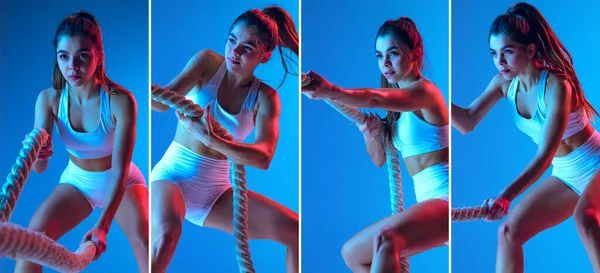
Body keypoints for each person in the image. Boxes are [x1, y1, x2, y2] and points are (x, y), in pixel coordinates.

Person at [452, 3, 600, 272]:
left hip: (596, 164)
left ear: (530, 50)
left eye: (507, 52)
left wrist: (506, 195)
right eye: (494, 53)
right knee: (509, 231)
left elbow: (545, 155)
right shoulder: (505, 83)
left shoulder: (558, 86)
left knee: (585, 218)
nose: (500, 61)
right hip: (567, 175)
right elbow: (467, 121)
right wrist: (431, 103)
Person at [150, 6, 300, 273]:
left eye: (247, 48)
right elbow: (161, 103)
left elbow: (263, 156)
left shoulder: (265, 98)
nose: (235, 51)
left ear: (264, 56)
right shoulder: (208, 64)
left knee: (295, 231)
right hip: (173, 174)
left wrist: (214, 141)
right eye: (232, 40)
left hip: (215, 192)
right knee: (166, 236)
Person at [302, 16, 449, 273]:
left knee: (386, 239)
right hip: (427, 203)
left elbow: (373, 99)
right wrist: (368, 132)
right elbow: (379, 158)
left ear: (415, 53)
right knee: (352, 254)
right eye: (380, 56)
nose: (386, 63)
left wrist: (330, 90)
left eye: (393, 53)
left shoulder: (426, 93)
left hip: (445, 200)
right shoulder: (398, 112)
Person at [15, 11, 149, 273]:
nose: (72, 67)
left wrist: (103, 225)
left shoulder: (121, 101)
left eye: (82, 56)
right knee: (31, 242)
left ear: (98, 54)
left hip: (122, 181)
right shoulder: (49, 100)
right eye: (64, 57)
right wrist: (38, 154)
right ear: (57, 57)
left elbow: (120, 172)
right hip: (77, 182)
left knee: (147, 243)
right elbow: (39, 169)